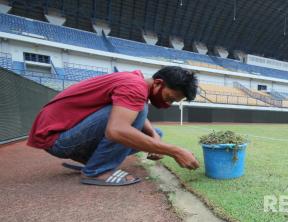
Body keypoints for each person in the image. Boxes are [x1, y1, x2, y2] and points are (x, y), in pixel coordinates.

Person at [27, 66, 200, 186]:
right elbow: (116, 130)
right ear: (158, 83)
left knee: (156, 132)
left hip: (65, 132)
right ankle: (95, 170)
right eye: (169, 98)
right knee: (134, 116)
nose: (168, 103)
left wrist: (155, 137)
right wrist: (175, 151)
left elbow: (132, 112)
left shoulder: (135, 82)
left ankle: (94, 160)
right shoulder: (135, 86)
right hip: (56, 137)